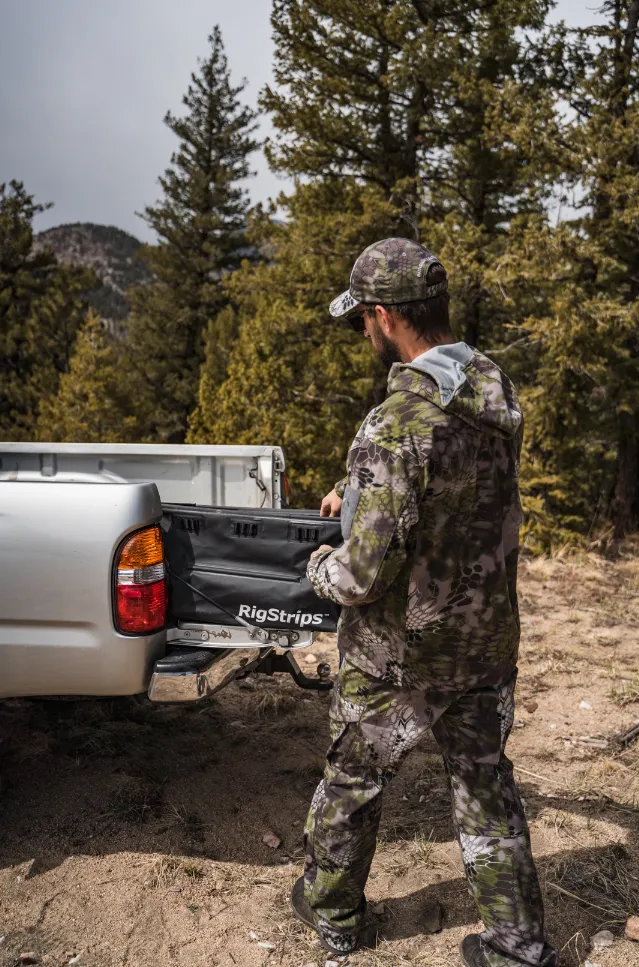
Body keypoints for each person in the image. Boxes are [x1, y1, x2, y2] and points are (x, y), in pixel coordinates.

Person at [290, 238, 558, 967]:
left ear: (382, 315)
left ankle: (335, 915)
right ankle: (516, 945)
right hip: (485, 639)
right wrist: (361, 495)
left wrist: (320, 565)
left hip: (397, 654)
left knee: (353, 779)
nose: (364, 334)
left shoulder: (394, 423)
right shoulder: (493, 390)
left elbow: (363, 577)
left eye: (363, 321)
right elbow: (455, 492)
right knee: (483, 787)